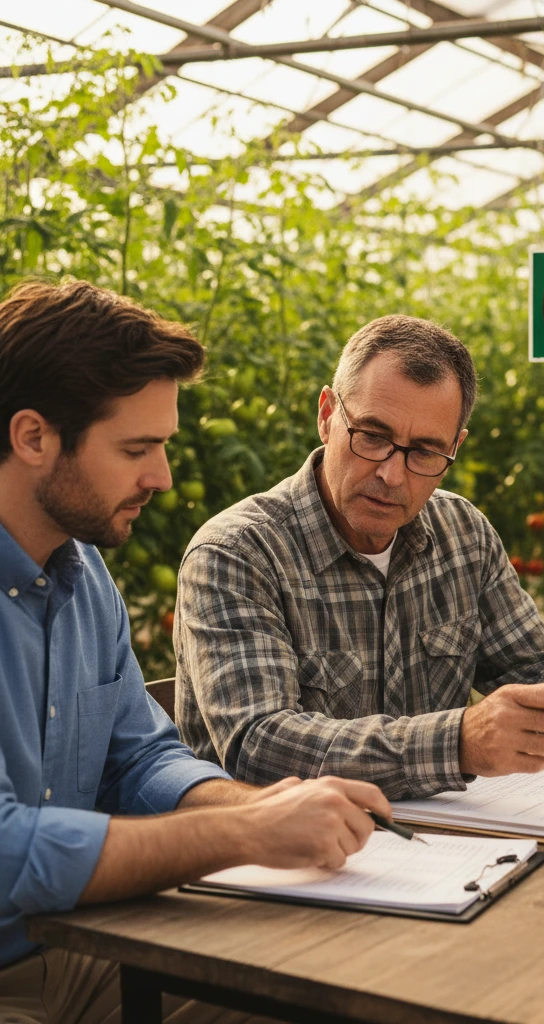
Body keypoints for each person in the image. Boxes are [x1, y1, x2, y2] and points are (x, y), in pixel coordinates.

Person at [0, 280, 390, 1024]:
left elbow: (139, 759)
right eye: (136, 449)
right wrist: (241, 832)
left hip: (91, 945)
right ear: (33, 437)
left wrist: (266, 803)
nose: (162, 477)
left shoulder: (82, 573)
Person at [175, 314, 544, 799]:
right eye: (372, 436)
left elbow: (531, 662)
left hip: (442, 845)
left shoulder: (462, 534)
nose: (392, 474)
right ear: (328, 415)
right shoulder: (237, 555)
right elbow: (259, 745)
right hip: (271, 860)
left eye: (424, 453)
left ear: (454, 448)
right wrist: (458, 743)